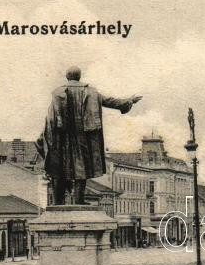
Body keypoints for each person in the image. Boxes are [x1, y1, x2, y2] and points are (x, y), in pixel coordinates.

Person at [36, 66, 142, 205]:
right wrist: (129, 101)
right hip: (83, 137)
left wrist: (44, 137)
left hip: (61, 139)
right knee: (81, 167)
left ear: (67, 77)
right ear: (79, 76)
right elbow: (110, 101)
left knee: (58, 167)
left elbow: (50, 119)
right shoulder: (92, 92)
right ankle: (79, 200)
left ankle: (57, 203)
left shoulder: (57, 93)